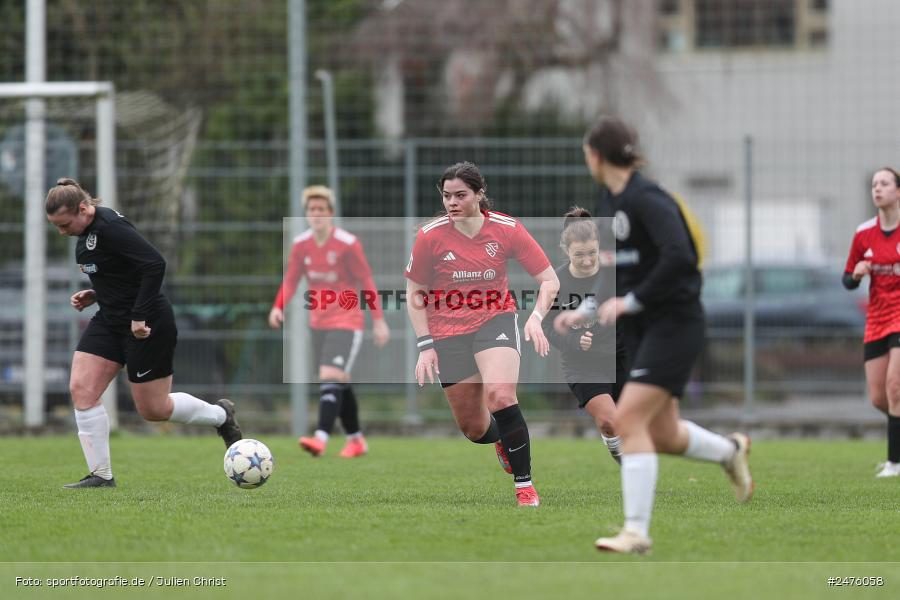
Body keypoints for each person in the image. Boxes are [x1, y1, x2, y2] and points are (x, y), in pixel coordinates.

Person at [555, 117, 753, 554]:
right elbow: (618, 268)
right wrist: (586, 309)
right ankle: (729, 451)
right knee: (663, 434)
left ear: (596, 155)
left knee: (627, 421)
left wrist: (633, 301)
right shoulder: (609, 201)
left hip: (675, 323)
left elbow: (681, 256)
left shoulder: (648, 198)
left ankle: (636, 532)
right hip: (646, 327)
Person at [45, 178, 242, 489]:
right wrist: (96, 294)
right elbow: (121, 270)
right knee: (82, 389)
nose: (62, 232)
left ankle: (221, 416)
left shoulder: (111, 227)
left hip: (147, 323)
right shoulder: (86, 232)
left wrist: (138, 316)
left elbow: (154, 264)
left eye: (64, 224)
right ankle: (101, 475)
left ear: (83, 209)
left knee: (154, 409)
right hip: (110, 320)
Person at [405, 161, 559, 507]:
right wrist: (425, 345)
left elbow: (550, 280)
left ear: (479, 194)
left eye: (460, 195)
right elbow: (414, 292)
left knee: (501, 396)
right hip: (447, 331)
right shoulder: (430, 236)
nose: (452, 202)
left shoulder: (506, 229)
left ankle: (525, 487)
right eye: (447, 196)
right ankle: (502, 437)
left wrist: (535, 318)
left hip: (495, 320)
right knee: (474, 429)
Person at [269, 185, 390, 458]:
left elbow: (366, 281)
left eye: (321, 209)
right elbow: (291, 279)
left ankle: (320, 437)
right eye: (312, 210)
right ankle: (356, 440)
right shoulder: (301, 245)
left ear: (331, 213)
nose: (316, 214)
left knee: (330, 376)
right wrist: (278, 307)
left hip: (347, 320)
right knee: (338, 381)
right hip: (318, 323)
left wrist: (378, 320)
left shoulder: (347, 244)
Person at [541, 207, 625, 464]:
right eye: (579, 255)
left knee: (635, 423)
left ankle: (635, 467)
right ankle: (625, 459)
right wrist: (574, 341)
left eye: (592, 253)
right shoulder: (555, 282)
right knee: (610, 422)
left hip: (622, 355)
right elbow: (547, 326)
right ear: (566, 251)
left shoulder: (614, 274)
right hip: (583, 364)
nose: (587, 261)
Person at [843, 167, 900, 478]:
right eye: (874, 184)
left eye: (885, 183)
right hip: (877, 319)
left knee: (895, 387)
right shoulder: (864, 233)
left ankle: (895, 462)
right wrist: (856, 274)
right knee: (879, 397)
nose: (877, 188)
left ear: (898, 191)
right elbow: (846, 280)